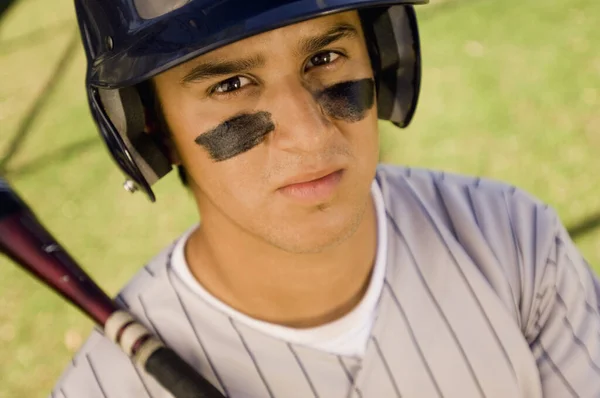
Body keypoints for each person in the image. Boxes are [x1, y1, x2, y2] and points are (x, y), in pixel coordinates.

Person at [51, 0, 600, 397]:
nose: (311, 135)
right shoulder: (110, 386)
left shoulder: (514, 241)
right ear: (153, 128)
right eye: (229, 85)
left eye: (325, 58)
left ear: (378, 56)